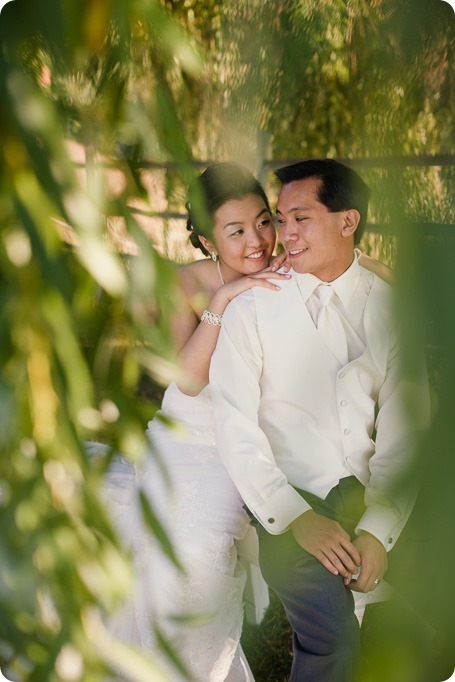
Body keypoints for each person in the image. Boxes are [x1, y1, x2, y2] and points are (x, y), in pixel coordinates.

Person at [209, 158, 430, 682]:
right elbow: (234, 426)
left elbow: (406, 431)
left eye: (298, 218)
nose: (282, 235)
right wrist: (295, 517)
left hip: (378, 496)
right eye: (279, 219)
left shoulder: (394, 310)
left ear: (347, 222)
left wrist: (378, 532)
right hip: (292, 502)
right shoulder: (251, 309)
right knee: (332, 638)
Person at [98, 162, 290, 682]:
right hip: (189, 441)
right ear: (207, 240)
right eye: (236, 231)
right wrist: (226, 299)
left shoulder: (287, 272)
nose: (258, 241)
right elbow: (187, 378)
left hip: (247, 447)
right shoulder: (186, 284)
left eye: (265, 221)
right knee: (189, 560)